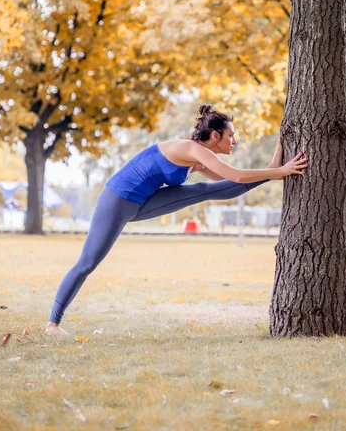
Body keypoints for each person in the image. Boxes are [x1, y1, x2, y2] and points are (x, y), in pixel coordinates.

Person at [45, 104, 309, 335]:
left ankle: (274, 173)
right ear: (215, 136)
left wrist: (275, 170)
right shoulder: (193, 149)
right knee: (87, 263)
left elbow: (228, 184)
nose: (234, 140)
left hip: (142, 201)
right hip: (117, 199)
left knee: (204, 191)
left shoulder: (199, 155)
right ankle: (53, 325)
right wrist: (279, 170)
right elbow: (237, 176)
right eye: (231, 135)